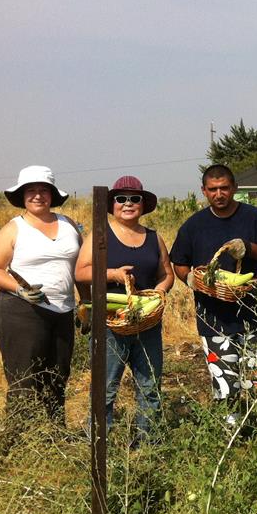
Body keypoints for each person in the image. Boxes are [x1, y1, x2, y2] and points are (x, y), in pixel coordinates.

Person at [170, 165, 257, 429]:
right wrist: (190, 280)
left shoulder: (254, 218)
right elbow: (179, 263)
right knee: (224, 381)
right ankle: (230, 430)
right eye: (213, 189)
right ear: (204, 191)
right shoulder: (194, 225)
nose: (219, 194)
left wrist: (249, 248)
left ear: (234, 188)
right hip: (213, 319)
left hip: (255, 315)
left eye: (224, 188)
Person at [75, 176, 174, 444]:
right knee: (105, 388)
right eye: (121, 199)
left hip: (146, 322)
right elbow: (81, 272)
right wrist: (113, 275)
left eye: (134, 199)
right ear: (112, 204)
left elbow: (167, 273)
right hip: (110, 323)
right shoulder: (100, 235)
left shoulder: (154, 237)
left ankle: (147, 443)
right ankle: (98, 441)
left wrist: (160, 291)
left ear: (143, 204)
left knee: (150, 385)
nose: (128, 204)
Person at [0, 165, 84, 426]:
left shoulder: (68, 224)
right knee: (24, 378)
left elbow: (81, 268)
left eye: (44, 190)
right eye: (31, 190)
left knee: (58, 374)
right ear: (22, 195)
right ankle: (19, 439)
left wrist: (87, 302)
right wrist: (20, 290)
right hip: (21, 312)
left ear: (52, 194)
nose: (38, 195)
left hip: (62, 311)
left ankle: (55, 434)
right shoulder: (14, 228)